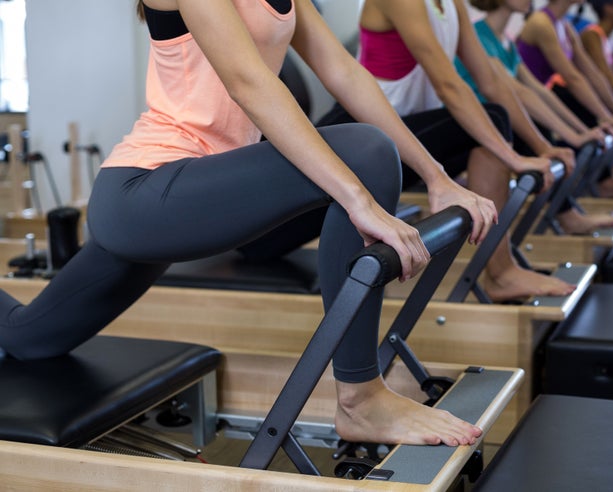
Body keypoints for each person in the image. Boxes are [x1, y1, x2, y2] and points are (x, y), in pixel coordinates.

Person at [0, 0, 500, 448]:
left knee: (29, 338)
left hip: (196, 193)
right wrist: (358, 198)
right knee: (365, 151)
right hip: (146, 192)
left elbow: (345, 73)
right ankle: (360, 398)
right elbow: (247, 80)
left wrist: (437, 178)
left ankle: (363, 398)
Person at [318, 0, 590, 301]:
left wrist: (543, 148)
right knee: (495, 123)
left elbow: (491, 81)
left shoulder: (451, 5)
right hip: (360, 135)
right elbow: (449, 84)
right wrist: (512, 158)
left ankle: (501, 269)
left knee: (497, 118)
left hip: (403, 138)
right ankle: (500, 273)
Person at [455, 0, 613, 233]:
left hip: (497, 126)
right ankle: (566, 216)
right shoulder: (478, 36)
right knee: (519, 123)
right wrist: (569, 136)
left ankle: (567, 211)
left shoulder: (506, 42)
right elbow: (518, 92)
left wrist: (580, 132)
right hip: (475, 128)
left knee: (529, 122)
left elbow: (537, 90)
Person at [517, 0, 613, 197]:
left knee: (594, 117)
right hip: (528, 106)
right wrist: (607, 117)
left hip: (538, 99)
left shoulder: (566, 26)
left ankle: (600, 181)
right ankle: (589, 189)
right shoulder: (541, 22)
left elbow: (593, 74)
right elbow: (573, 78)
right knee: (580, 107)